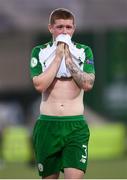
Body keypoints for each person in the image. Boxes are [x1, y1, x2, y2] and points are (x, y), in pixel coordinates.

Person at [30, 8, 95, 179]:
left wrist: (68, 60)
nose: (64, 31)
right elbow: (39, 85)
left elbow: (88, 84)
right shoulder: (40, 52)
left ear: (74, 28)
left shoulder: (83, 51)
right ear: (51, 28)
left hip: (75, 126)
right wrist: (58, 57)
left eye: (68, 27)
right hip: (47, 126)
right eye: (60, 27)